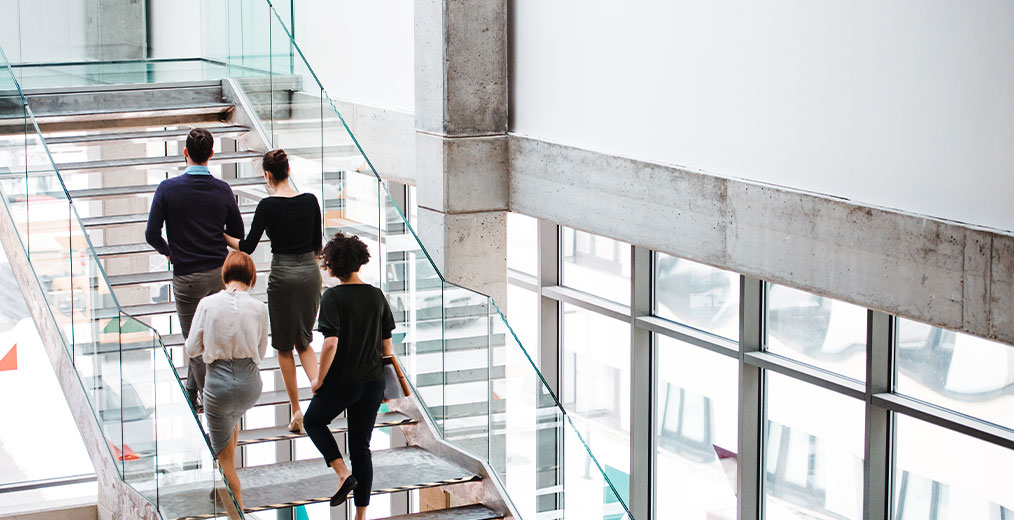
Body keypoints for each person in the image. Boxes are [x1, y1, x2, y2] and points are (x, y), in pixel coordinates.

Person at [145, 128, 245, 410]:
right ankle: (192, 394)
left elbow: (152, 234)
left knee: (194, 341)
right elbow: (237, 232)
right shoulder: (223, 190)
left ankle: (208, 401)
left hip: (186, 276)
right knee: (210, 336)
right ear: (211, 155)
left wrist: (170, 252)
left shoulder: (167, 189)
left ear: (185, 153)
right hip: (218, 274)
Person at [224, 149, 322, 433]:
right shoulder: (310, 201)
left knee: (283, 345)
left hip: (283, 275)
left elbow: (247, 246)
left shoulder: (267, 206)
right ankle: (319, 396)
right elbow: (317, 245)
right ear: (288, 170)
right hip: (309, 274)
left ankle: (295, 411)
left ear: (268, 175)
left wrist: (221, 235)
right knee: (304, 341)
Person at [304, 233, 395, 516]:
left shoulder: (332, 296)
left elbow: (330, 343)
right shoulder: (376, 295)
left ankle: (342, 474)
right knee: (361, 447)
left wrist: (319, 378)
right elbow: (387, 348)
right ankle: (361, 516)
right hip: (372, 383)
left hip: (344, 382)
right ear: (359, 261)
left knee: (313, 421)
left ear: (333, 265)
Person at [185, 251, 267, 517]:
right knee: (231, 424)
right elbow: (261, 351)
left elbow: (191, 349)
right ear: (251, 277)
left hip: (218, 385)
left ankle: (237, 509)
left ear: (225, 275)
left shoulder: (208, 304)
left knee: (224, 462)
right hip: (249, 385)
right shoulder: (258, 308)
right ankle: (227, 494)